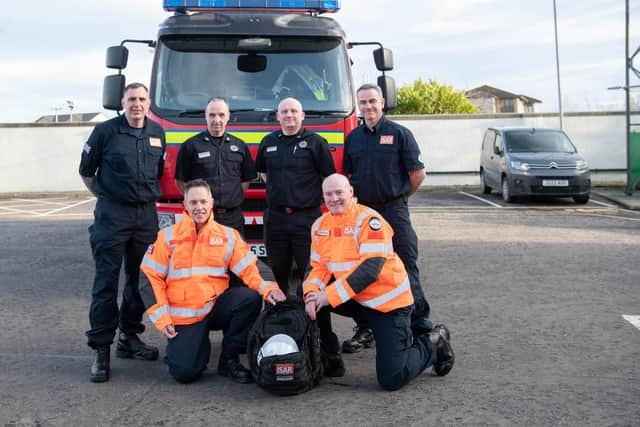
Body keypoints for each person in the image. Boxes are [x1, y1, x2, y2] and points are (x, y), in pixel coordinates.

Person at [303, 174, 454, 391]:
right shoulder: (320, 225)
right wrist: (311, 294)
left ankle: (434, 342)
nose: (334, 198)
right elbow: (318, 268)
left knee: (392, 378)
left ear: (351, 193)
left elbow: (369, 270)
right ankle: (330, 357)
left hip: (388, 304)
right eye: (329, 194)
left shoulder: (369, 221)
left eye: (339, 192)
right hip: (357, 298)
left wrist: (328, 296)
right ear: (323, 197)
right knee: (308, 295)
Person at [139, 179, 286, 384]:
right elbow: (149, 277)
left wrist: (269, 288)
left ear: (211, 202)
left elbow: (250, 267)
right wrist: (163, 319)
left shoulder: (228, 236)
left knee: (249, 298)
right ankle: (193, 347)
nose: (199, 207)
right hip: (185, 316)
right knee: (184, 373)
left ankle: (229, 359)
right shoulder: (167, 237)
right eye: (193, 203)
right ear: (185, 205)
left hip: (215, 306)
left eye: (203, 201)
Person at [79, 82, 165, 383]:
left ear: (148, 102)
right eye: (131, 99)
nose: (137, 104)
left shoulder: (157, 132)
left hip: (146, 215)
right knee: (106, 282)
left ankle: (129, 336)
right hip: (112, 215)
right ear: (122, 102)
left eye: (142, 99)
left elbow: (158, 171)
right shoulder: (105, 132)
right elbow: (87, 173)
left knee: (141, 279)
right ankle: (101, 348)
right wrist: (107, 196)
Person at [341, 83, 431, 353]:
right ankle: (366, 327)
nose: (368, 107)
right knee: (362, 269)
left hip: (394, 211)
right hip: (365, 214)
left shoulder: (400, 134)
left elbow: (417, 175)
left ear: (382, 102)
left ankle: (420, 328)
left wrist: (399, 198)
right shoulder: (354, 138)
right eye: (363, 102)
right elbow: (349, 177)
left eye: (372, 101)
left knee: (405, 267)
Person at [255, 97, 336, 295]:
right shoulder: (268, 142)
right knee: (277, 275)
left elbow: (329, 177)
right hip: (276, 219)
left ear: (302, 115)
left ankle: (318, 326)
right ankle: (279, 323)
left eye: (293, 111)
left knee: (312, 274)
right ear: (277, 117)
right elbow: (264, 173)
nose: (289, 115)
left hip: (306, 218)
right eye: (284, 112)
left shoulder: (316, 143)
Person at [175, 96, 256, 235]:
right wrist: (197, 204)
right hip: (203, 218)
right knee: (204, 256)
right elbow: (180, 181)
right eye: (212, 115)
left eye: (221, 115)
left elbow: (245, 181)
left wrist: (231, 197)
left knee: (235, 256)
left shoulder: (240, 145)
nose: (216, 120)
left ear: (228, 116)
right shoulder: (191, 146)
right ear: (205, 117)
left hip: (233, 218)